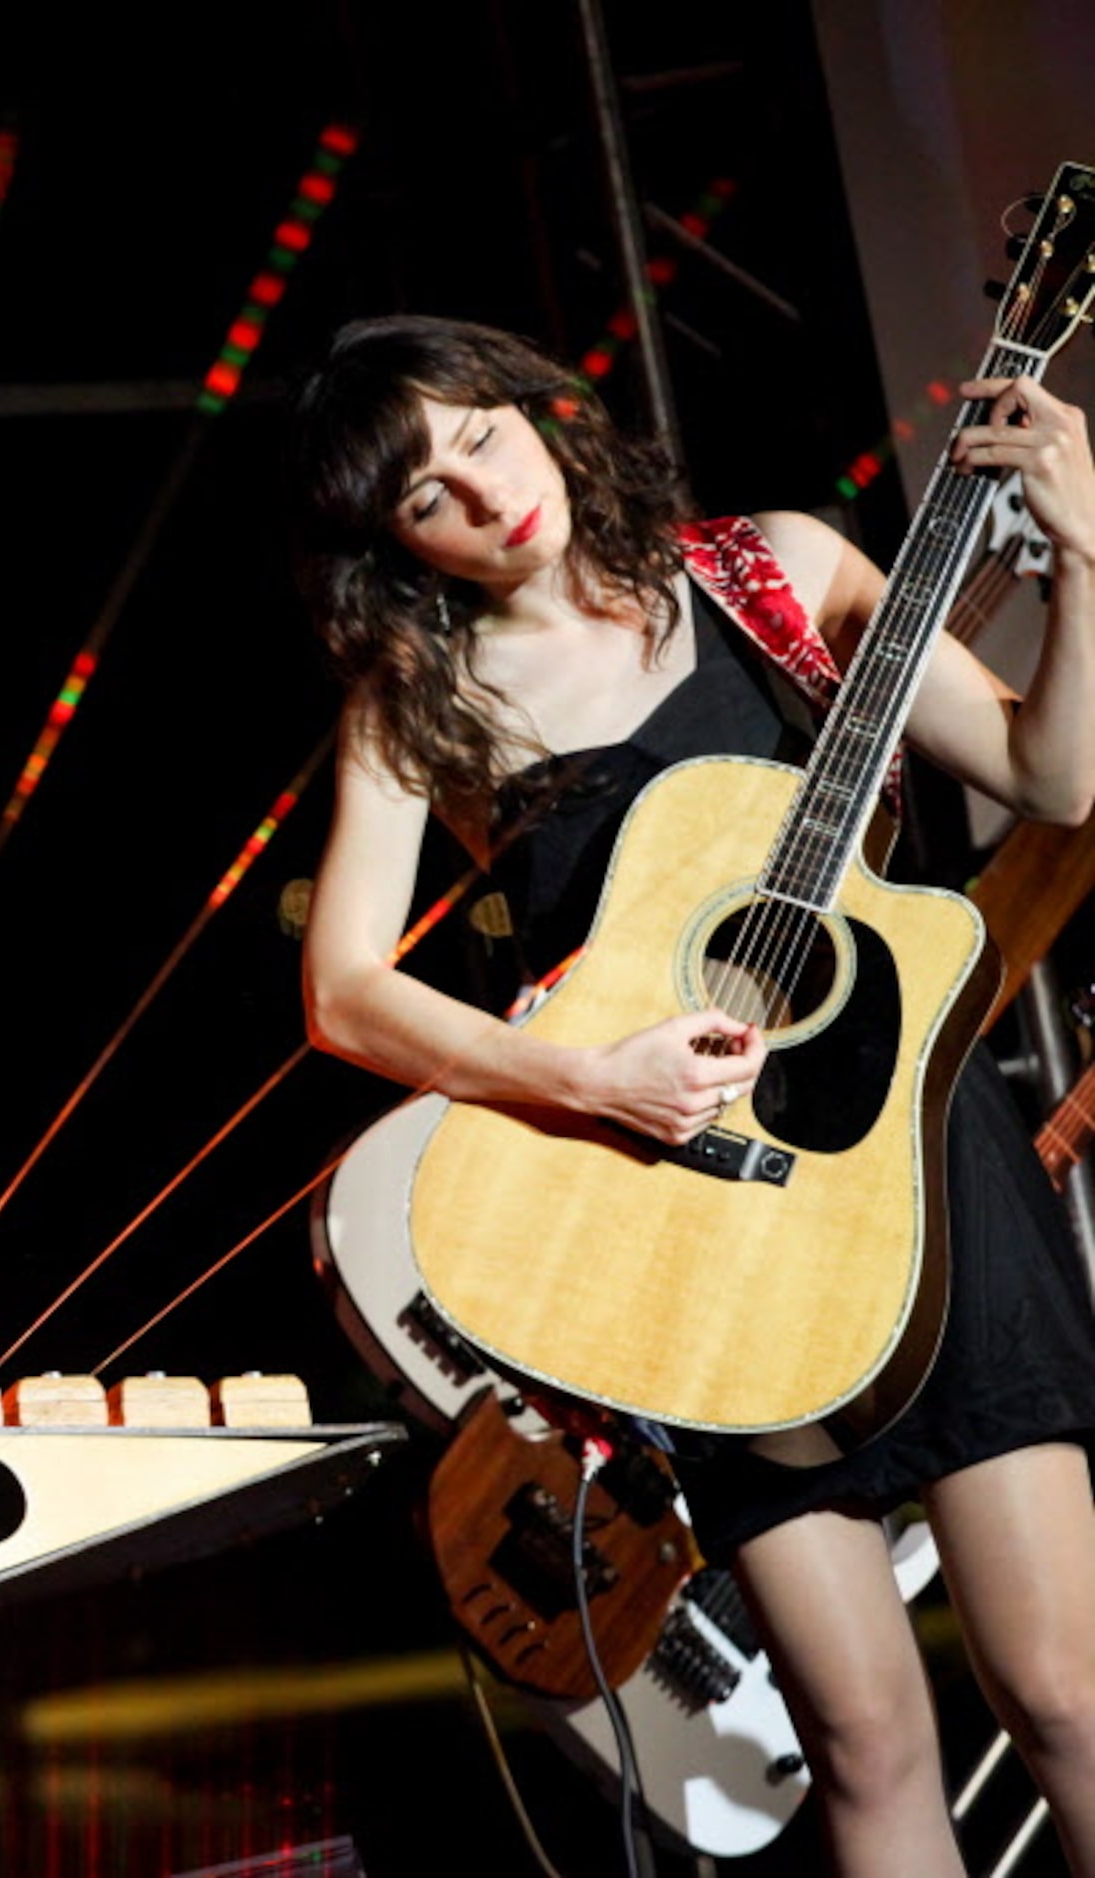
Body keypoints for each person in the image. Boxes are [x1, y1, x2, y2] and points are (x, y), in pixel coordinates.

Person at [290, 314, 1095, 1875]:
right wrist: (584, 1075)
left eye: (481, 435)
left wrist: (1082, 557)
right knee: (863, 1741)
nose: (482, 493)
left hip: (925, 1174)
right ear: (389, 549)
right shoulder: (422, 704)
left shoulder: (771, 568)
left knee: (1065, 1691)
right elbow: (342, 991)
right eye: (424, 498)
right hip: (700, 1228)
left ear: (536, 407)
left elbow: (1049, 777)